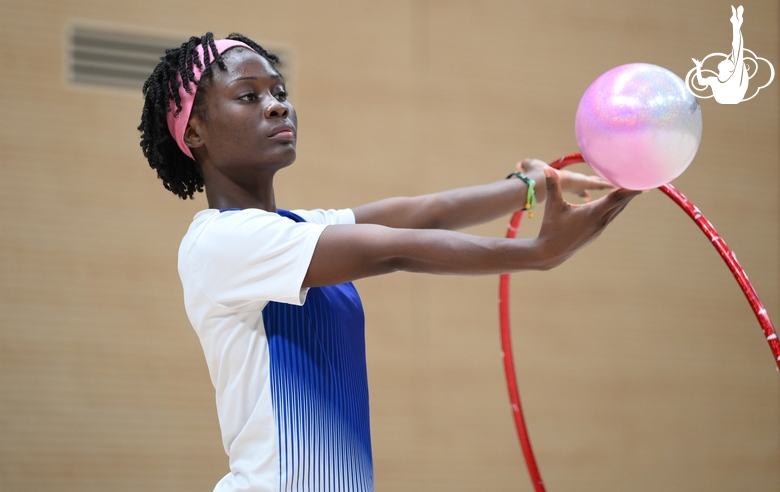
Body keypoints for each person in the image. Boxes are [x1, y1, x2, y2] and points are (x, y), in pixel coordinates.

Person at [138, 32, 640, 492]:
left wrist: (530, 187)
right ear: (197, 131)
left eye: (280, 92)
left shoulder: (296, 228)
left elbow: (426, 213)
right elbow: (391, 248)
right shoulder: (223, 242)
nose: (277, 107)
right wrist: (537, 254)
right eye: (250, 96)